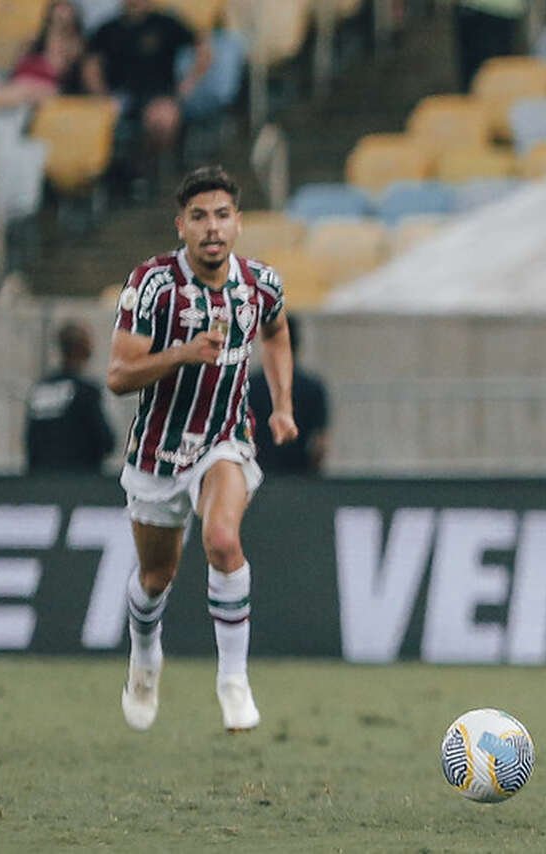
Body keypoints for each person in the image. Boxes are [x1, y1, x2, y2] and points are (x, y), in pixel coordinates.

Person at [106, 165, 297, 733]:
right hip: (159, 453)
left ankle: (233, 680)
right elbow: (118, 375)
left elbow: (277, 332)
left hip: (226, 440)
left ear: (237, 223)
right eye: (198, 217)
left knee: (221, 539)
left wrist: (282, 403)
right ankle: (144, 658)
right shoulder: (153, 285)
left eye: (221, 215)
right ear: (181, 226)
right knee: (155, 578)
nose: (211, 228)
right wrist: (182, 355)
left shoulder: (262, 284)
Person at [81, 0, 210, 158]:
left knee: (163, 119)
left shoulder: (166, 23)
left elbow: (202, 49)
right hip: (121, 96)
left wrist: (188, 84)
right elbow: (90, 65)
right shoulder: (108, 28)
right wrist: (101, 96)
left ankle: (157, 169)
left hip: (161, 94)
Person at [24, 319, 115, 473]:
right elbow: (106, 442)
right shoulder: (86, 390)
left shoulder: (40, 388)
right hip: (80, 482)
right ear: (85, 349)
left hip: (42, 480)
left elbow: (31, 440)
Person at [247, 314, 329, 475]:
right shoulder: (313, 387)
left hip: (259, 475)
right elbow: (320, 444)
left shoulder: (249, 385)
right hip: (300, 478)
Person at [0, 0, 85, 111]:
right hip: (19, 83)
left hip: (44, 87)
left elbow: (57, 70)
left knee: (20, 92)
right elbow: (17, 66)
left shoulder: (73, 45)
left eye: (64, 17)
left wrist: (57, 38)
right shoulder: (35, 41)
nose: (59, 19)